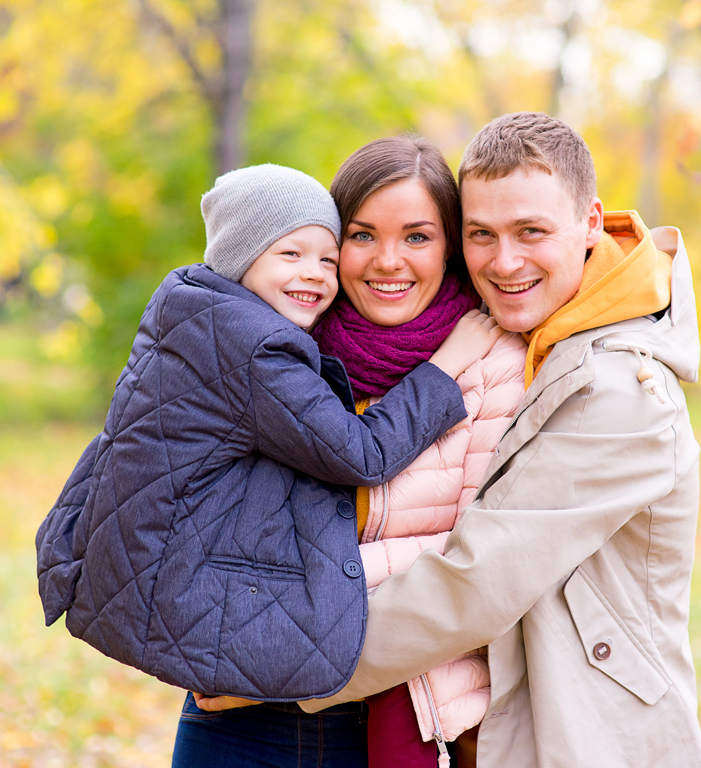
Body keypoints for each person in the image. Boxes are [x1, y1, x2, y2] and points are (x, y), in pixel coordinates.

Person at [201, 112, 701, 767]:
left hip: (589, 732)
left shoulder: (620, 388)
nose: (504, 261)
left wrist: (274, 659)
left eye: (531, 231)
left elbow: (476, 580)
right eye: (482, 235)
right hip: (501, 715)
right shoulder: (533, 339)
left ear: (590, 223)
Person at [35, 163, 503, 767]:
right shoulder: (264, 346)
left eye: (324, 259)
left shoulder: (201, 313)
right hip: (240, 687)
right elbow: (359, 453)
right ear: (241, 255)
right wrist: (443, 372)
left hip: (390, 703)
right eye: (293, 253)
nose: (314, 273)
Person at [179, 137, 528, 768]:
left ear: (449, 245)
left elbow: (480, 560)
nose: (388, 261)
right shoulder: (283, 347)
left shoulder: (494, 366)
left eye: (417, 237)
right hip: (239, 708)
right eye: (363, 235)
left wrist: (285, 614)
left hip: (402, 711)